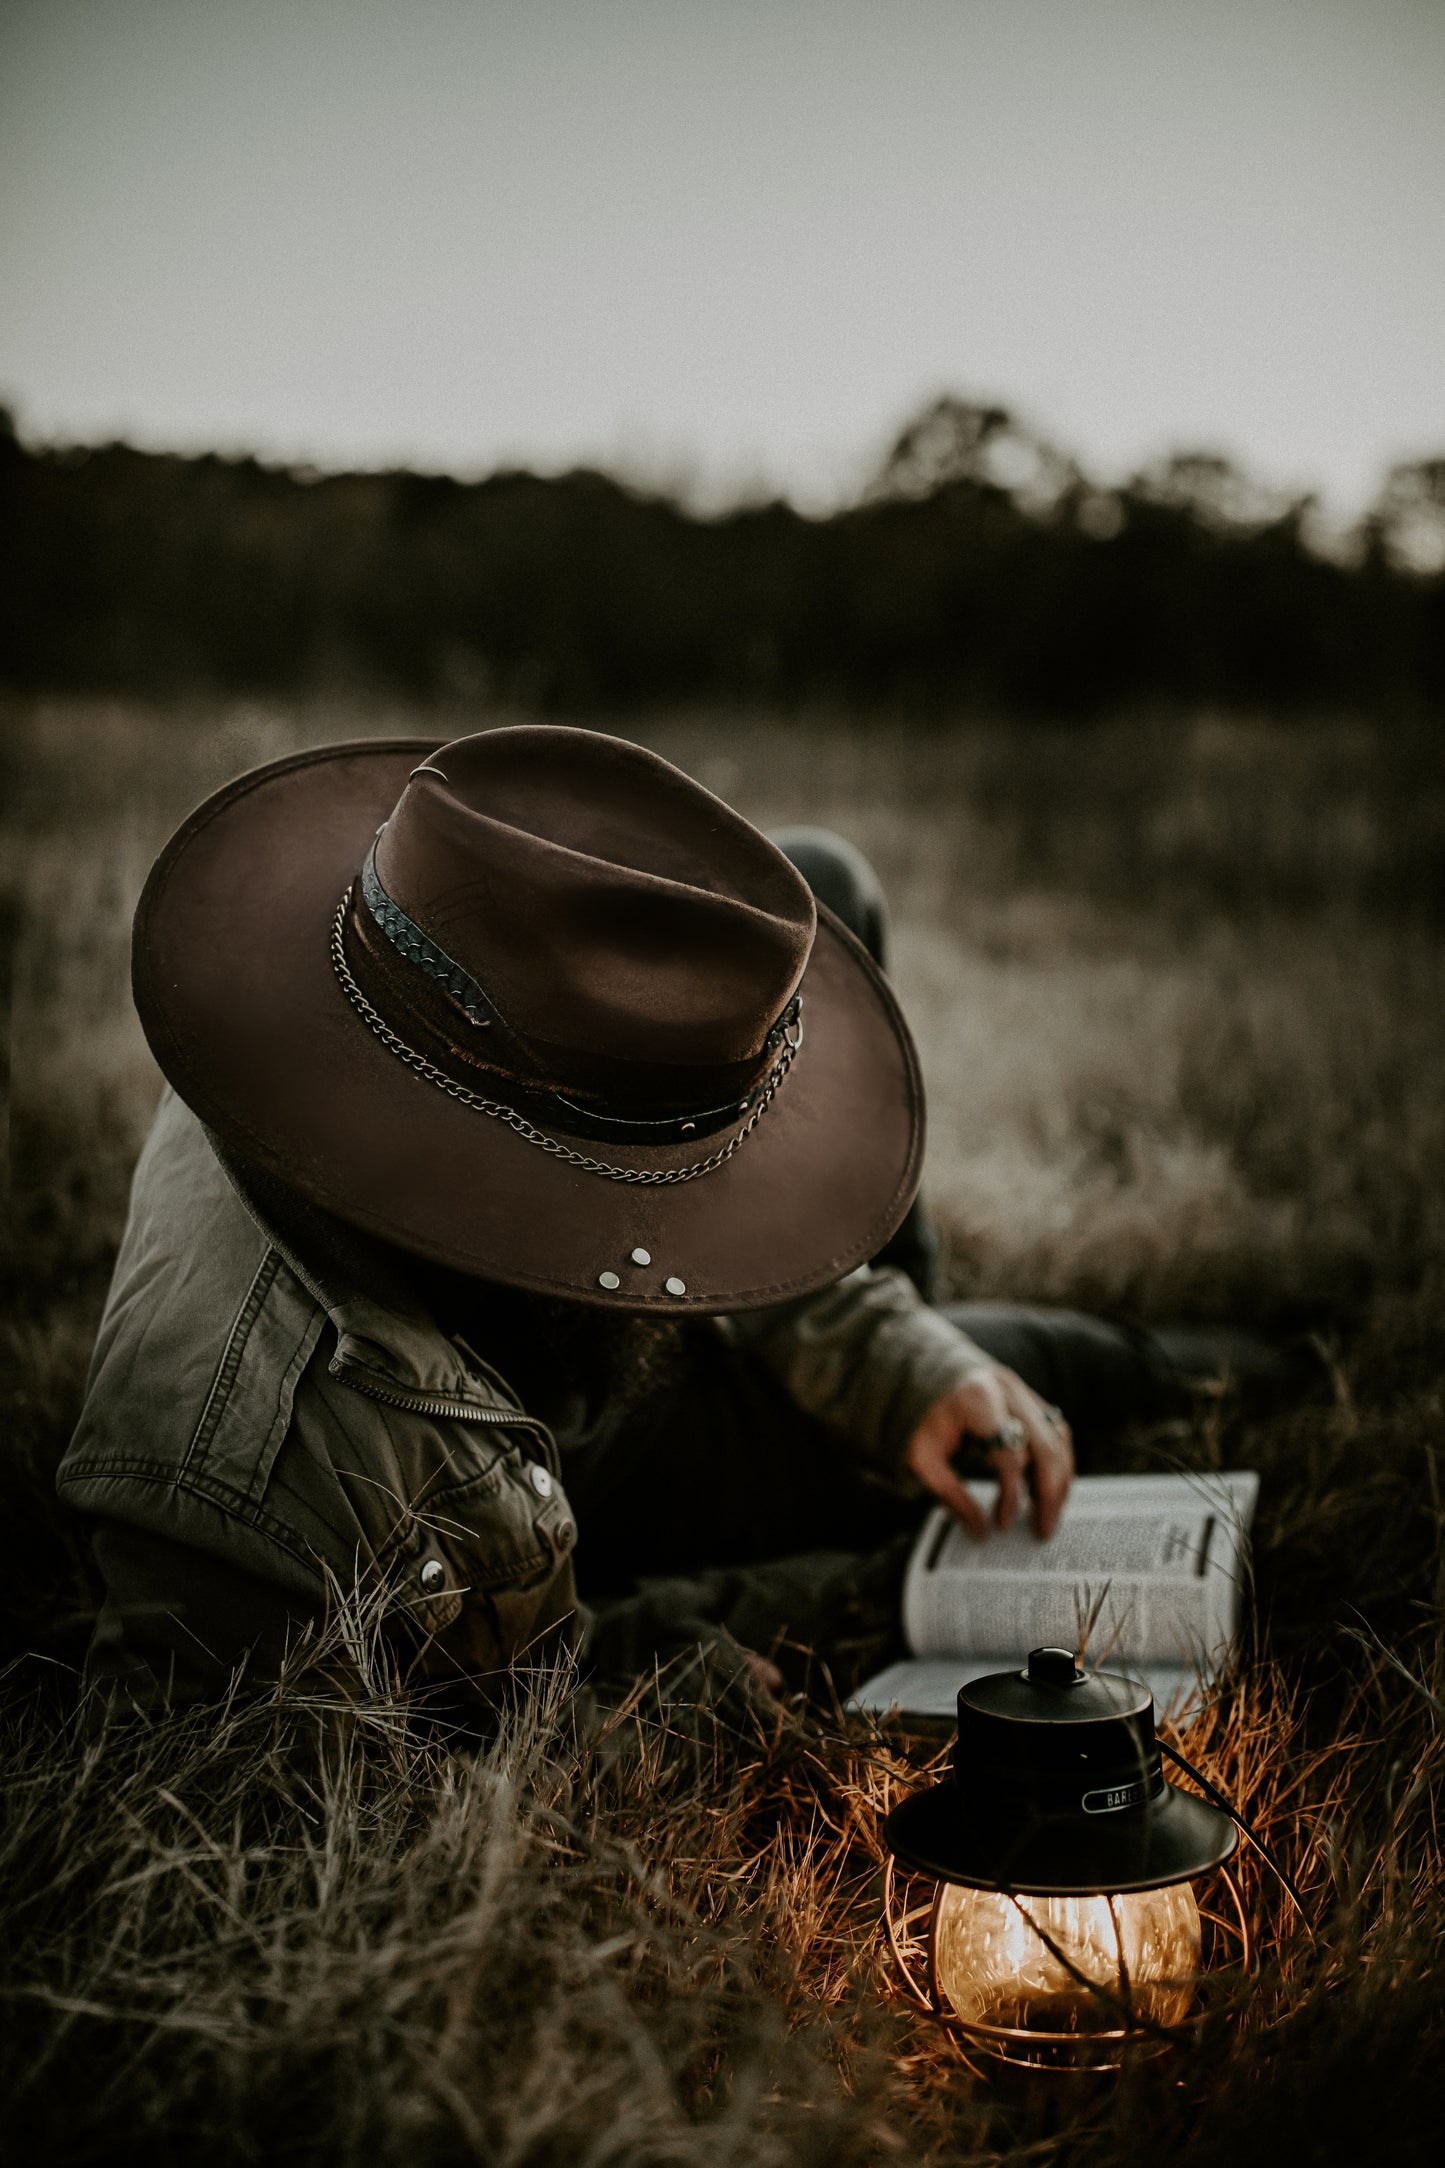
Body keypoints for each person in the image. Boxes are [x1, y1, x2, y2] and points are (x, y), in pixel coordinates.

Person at [58, 727, 1217, 1718]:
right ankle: (1171, 1383)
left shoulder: (361, 1016)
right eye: (674, 1171)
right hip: (533, 1476)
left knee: (824, 883)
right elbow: (459, 1720)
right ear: (571, 1190)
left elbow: (689, 1181)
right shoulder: (292, 1485)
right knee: (1002, 1419)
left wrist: (892, 1356)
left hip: (575, 1381)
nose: (712, 1214)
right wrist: (671, 1667)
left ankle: (1204, 1365)